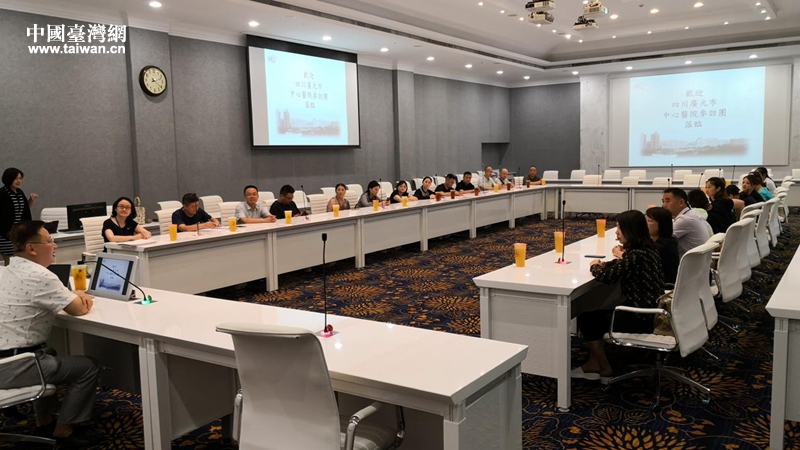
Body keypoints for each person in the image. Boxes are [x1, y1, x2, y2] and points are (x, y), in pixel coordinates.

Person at [0, 221, 100, 446]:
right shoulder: (41, 276)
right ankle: (64, 430)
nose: (55, 245)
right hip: (13, 367)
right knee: (88, 367)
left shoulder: (8, 269)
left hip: (6, 359)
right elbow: (78, 309)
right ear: (32, 249)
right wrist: (82, 297)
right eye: (49, 241)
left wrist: (68, 295)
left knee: (49, 352)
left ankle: (43, 420)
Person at [571, 210, 664, 381]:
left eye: (619, 228)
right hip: (653, 311)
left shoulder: (636, 255)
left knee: (587, 319)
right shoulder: (648, 249)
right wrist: (606, 264)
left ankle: (604, 367)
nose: (616, 233)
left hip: (641, 318)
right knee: (596, 314)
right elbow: (623, 264)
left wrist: (595, 266)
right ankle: (594, 362)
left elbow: (607, 277)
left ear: (630, 230)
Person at [0, 168, 38, 266]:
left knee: (20, 261)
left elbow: (24, 210)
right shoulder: (2, 193)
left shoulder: (20, 193)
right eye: (15, 178)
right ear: (9, 179)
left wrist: (31, 200)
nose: (18, 181)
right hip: (5, 233)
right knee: (10, 262)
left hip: (18, 233)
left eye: (20, 178)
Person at [662, 188, 712, 257]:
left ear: (681, 202)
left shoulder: (684, 219)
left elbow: (663, 240)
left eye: (667, 201)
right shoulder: (691, 214)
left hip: (691, 261)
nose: (664, 205)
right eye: (663, 201)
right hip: (701, 260)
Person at [646, 207, 680, 285]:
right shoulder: (668, 240)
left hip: (663, 284)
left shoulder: (663, 245)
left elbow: (640, 260)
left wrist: (619, 253)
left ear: (662, 224)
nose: (645, 224)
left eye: (650, 221)